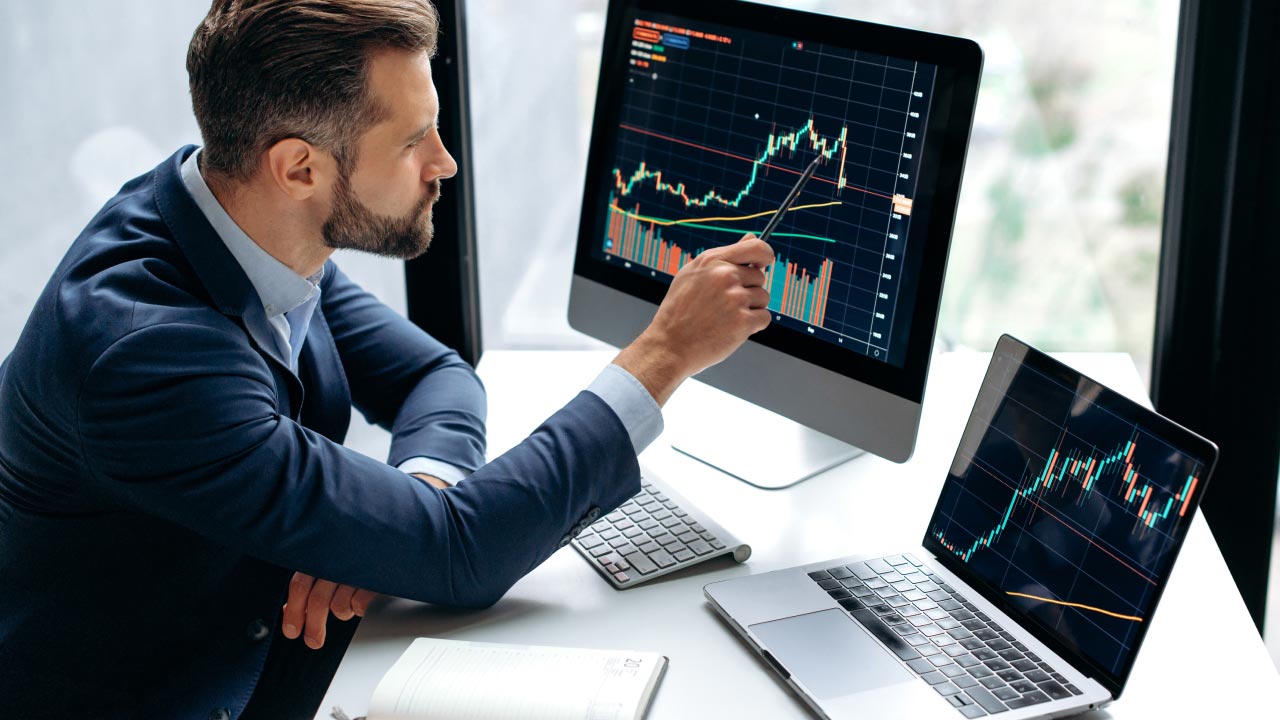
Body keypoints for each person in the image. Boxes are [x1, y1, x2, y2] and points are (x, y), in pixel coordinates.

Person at [0, 1, 774, 718]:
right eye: (412, 142)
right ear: (299, 167)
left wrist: (407, 499)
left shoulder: (232, 214)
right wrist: (666, 354)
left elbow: (432, 377)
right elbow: (459, 552)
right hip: (183, 693)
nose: (445, 163)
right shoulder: (149, 358)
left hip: (266, 640)